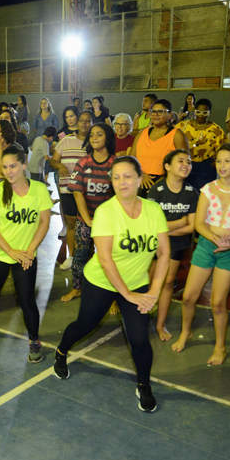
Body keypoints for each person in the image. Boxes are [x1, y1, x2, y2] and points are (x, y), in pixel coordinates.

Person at [53, 156, 170, 414]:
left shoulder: (154, 211)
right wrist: (126, 295)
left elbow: (164, 254)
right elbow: (105, 260)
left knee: (140, 339)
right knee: (85, 325)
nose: (121, 182)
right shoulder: (106, 212)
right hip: (102, 282)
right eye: (116, 177)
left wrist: (153, 292)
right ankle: (61, 351)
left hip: (137, 284)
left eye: (128, 176)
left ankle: (144, 385)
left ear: (140, 179)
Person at [172, 144, 230, 365]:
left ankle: (220, 346)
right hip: (206, 246)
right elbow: (200, 223)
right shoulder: (207, 189)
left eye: (228, 161)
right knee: (189, 297)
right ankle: (186, 332)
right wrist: (215, 239)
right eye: (219, 161)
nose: (222, 165)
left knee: (218, 302)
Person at [0, 145, 52, 358]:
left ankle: (34, 339)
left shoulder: (39, 190)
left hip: (25, 255)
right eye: (5, 167)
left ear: (24, 165)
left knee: (26, 300)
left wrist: (30, 250)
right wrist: (10, 251)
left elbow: (44, 222)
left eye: (13, 166)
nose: (9, 171)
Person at [147, 150, 198, 341]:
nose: (186, 164)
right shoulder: (156, 190)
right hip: (154, 244)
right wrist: (180, 222)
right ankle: (139, 314)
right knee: (148, 280)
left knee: (168, 282)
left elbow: (192, 226)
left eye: (189, 162)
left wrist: (166, 230)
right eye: (181, 161)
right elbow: (152, 225)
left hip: (176, 244)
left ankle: (161, 325)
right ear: (167, 166)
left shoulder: (192, 193)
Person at [61, 123, 116, 303]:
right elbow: (78, 193)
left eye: (99, 135)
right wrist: (87, 220)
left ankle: (114, 296)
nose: (94, 138)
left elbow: (120, 196)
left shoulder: (115, 164)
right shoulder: (83, 163)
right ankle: (77, 289)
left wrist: (106, 221)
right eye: (92, 135)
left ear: (107, 138)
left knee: (110, 258)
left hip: (108, 222)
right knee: (80, 256)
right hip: (86, 219)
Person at [50, 108, 91, 271]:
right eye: (82, 120)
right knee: (71, 223)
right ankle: (71, 256)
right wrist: (59, 165)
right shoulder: (65, 140)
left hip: (88, 191)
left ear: (92, 124)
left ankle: (90, 257)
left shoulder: (94, 142)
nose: (84, 123)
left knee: (89, 225)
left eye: (88, 121)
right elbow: (53, 161)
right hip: (68, 189)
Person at [132, 98, 190, 195]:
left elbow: (185, 162)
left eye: (160, 112)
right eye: (153, 112)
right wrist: (141, 174)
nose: (155, 115)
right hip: (140, 182)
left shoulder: (177, 135)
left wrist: (165, 180)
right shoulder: (141, 133)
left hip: (167, 184)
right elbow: (131, 159)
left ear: (170, 115)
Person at [177, 98, 224, 190]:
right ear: (194, 112)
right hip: (184, 164)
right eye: (198, 112)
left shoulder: (216, 130)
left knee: (203, 193)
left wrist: (213, 163)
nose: (201, 115)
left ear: (209, 112)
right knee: (184, 192)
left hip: (205, 167)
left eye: (204, 112)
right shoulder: (182, 126)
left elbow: (222, 149)